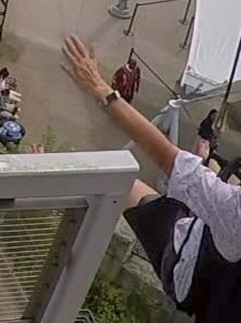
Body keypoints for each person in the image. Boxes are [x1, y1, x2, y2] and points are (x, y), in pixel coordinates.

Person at [63, 35, 241, 322]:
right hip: (218, 270)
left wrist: (101, 90)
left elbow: (168, 157)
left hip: (190, 263)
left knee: (123, 183)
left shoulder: (235, 212)